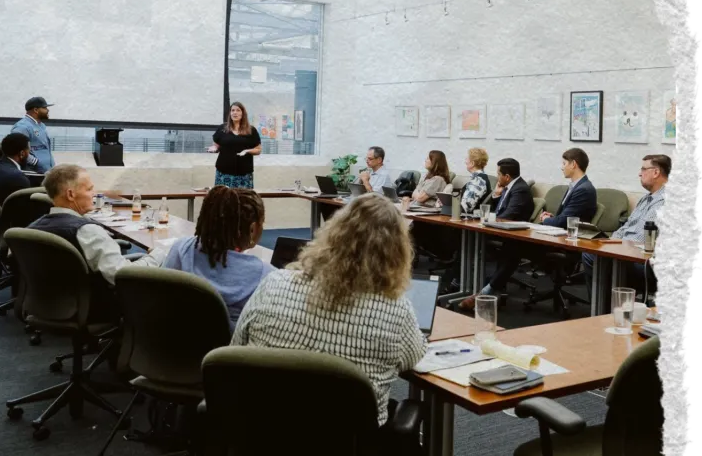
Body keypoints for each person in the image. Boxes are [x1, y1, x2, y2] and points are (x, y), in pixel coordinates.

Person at [232, 193, 426, 426]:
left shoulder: (275, 282)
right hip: (346, 450)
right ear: (397, 250)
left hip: (259, 432)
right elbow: (413, 358)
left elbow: (237, 347)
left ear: (334, 232)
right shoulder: (395, 310)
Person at [28, 164, 167, 287]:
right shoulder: (87, 230)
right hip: (96, 309)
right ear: (71, 194)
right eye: (89, 189)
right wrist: (158, 255)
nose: (94, 194)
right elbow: (123, 276)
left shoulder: (32, 228)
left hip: (46, 304)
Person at [163, 186, 274, 330]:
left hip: (172, 344)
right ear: (252, 229)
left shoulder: (181, 249)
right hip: (229, 351)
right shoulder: (266, 276)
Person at [580, 154, 670, 297]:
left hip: (644, 261)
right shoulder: (646, 198)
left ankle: (606, 307)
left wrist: (614, 245)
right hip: (625, 252)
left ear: (656, 172)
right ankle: (603, 307)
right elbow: (626, 227)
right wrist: (609, 241)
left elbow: (641, 239)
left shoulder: (666, 201)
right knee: (592, 254)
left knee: (596, 258)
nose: (639, 173)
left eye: (643, 169)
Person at [458, 158, 535, 310]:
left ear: (507, 176)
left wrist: (488, 219)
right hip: (503, 232)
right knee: (463, 237)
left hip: (516, 236)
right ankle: (482, 290)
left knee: (510, 251)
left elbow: (508, 215)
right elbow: (496, 210)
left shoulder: (520, 189)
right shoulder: (508, 187)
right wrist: (495, 196)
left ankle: (485, 292)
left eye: (499, 174)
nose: (497, 176)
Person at [207, 102, 262, 189]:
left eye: (238, 110)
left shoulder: (251, 130)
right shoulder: (222, 128)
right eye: (232, 110)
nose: (235, 113)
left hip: (244, 174)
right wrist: (214, 148)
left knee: (243, 200)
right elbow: (216, 146)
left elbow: (258, 150)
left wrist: (247, 151)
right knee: (223, 200)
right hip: (224, 173)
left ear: (243, 113)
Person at [538, 147, 597, 227]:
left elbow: (565, 222)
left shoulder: (583, 190)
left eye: (564, 163)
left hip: (572, 236)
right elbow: (566, 217)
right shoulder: (576, 186)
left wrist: (545, 219)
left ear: (573, 164)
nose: (562, 168)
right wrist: (552, 218)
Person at [0, 133, 34, 205]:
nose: (29, 154)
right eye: (29, 150)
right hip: (6, 215)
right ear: (22, 154)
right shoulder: (18, 178)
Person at [12, 97, 55, 173]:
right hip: (34, 173)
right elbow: (17, 150)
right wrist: (37, 163)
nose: (48, 110)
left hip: (46, 172)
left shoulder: (41, 125)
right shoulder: (22, 127)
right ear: (36, 110)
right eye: (44, 108)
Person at [460, 148, 491, 214]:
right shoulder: (479, 178)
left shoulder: (478, 181)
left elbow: (466, 207)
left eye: (467, 159)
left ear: (472, 163)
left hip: (467, 220)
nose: (465, 162)